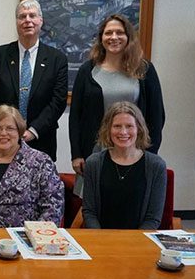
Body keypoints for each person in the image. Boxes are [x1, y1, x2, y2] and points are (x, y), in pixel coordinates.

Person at [70, 14, 165, 194]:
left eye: (119, 32)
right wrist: (76, 154)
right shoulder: (87, 71)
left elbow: (157, 115)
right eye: (108, 33)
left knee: (130, 200)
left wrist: (151, 154)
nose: (114, 37)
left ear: (128, 37)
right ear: (101, 38)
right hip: (95, 152)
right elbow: (75, 116)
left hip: (134, 151)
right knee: (94, 203)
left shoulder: (145, 70)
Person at [0, 0, 67, 162]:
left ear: (41, 20)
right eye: (22, 16)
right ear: (16, 22)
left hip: (40, 139)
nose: (27, 20)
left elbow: (58, 101)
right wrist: (8, 129)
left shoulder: (57, 59)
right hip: (0, 138)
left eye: (32, 15)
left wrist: (33, 131)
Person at [82, 102, 166, 229]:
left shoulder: (156, 166)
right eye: (117, 126)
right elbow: (89, 212)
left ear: (139, 129)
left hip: (140, 241)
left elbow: (153, 218)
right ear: (108, 129)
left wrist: (134, 243)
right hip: (101, 240)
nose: (123, 132)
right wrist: (100, 239)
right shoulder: (93, 163)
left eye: (129, 126)